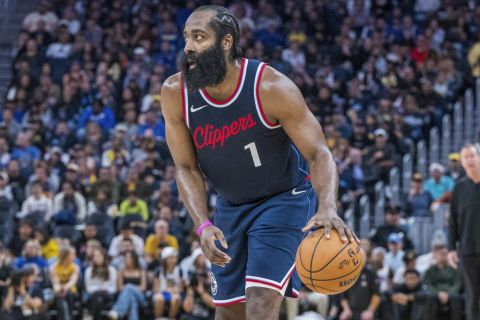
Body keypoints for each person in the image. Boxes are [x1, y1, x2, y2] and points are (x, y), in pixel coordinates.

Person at [161, 6, 357, 319]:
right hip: (231, 207)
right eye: (186, 37)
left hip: (283, 200)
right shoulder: (175, 93)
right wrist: (203, 224)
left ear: (226, 42)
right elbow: (185, 168)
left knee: (261, 303)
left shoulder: (270, 87)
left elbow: (319, 152)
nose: (188, 46)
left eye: (199, 37)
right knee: (228, 314)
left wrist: (327, 207)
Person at [448, 143, 480, 320]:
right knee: (472, 297)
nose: (470, 159)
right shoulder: (459, 189)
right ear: (462, 162)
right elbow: (452, 222)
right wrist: (452, 248)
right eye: (466, 157)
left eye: (472, 155)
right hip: (468, 250)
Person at [423, 243, 462, 320]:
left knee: (456, 297)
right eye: (440, 254)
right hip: (435, 292)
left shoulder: (453, 270)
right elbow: (427, 284)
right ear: (435, 255)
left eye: (445, 254)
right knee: (430, 297)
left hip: (450, 292)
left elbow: (457, 284)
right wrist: (438, 293)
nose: (443, 256)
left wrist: (448, 293)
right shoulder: (429, 271)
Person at [107, 251, 147, 320]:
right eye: (125, 258)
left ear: (134, 259)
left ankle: (117, 311)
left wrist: (130, 287)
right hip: (126, 297)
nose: (127, 260)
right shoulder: (121, 271)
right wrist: (130, 289)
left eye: (129, 258)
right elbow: (120, 288)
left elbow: (143, 287)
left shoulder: (141, 271)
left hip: (140, 297)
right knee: (132, 300)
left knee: (128, 287)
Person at [84, 248, 117, 320]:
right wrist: (99, 289)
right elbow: (88, 288)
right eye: (95, 256)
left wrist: (103, 289)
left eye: (99, 256)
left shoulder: (111, 269)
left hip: (108, 295)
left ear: (104, 257)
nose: (97, 258)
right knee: (98, 299)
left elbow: (114, 288)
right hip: (93, 295)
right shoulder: (89, 270)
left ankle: (90, 316)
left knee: (98, 297)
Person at [49, 245, 80, 320]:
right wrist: (59, 289)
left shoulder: (75, 267)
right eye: (72, 254)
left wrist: (65, 288)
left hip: (71, 291)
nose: (74, 256)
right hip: (58, 290)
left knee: (69, 294)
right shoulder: (53, 267)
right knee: (59, 297)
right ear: (65, 255)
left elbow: (73, 281)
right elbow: (55, 283)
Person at [152, 247, 184, 319]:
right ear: (165, 259)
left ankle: (171, 318)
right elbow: (155, 289)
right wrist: (166, 290)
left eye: (174, 257)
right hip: (161, 292)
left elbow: (181, 289)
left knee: (176, 298)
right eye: (170, 257)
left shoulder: (179, 270)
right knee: (159, 298)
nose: (172, 259)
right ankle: (158, 318)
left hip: (175, 293)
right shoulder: (158, 270)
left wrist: (174, 290)